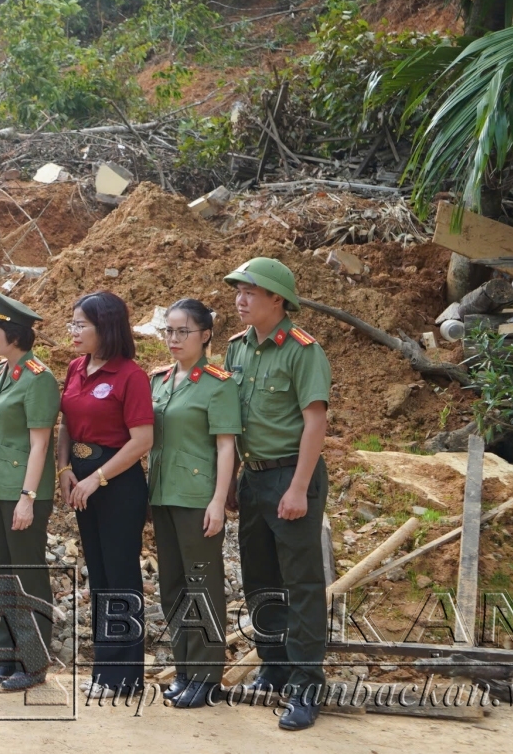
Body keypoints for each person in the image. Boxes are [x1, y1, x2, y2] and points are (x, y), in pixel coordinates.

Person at [223, 257, 331, 731]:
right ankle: (273, 669)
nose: (240, 300)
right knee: (259, 579)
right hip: (253, 477)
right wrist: (229, 482)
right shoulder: (236, 349)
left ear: (277, 300)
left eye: (250, 292)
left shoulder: (303, 351)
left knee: (301, 585)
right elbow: (227, 422)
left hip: (291, 476)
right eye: (238, 291)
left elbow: (315, 422)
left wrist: (300, 488)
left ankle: (306, 685)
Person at [57, 291, 155, 697]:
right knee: (97, 577)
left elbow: (142, 440)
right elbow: (66, 421)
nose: (74, 331)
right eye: (73, 323)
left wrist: (97, 477)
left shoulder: (130, 375)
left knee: (121, 578)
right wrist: (64, 468)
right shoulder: (76, 367)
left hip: (117, 484)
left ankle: (125, 675)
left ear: (107, 327)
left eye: (82, 324)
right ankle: (104, 671)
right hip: (80, 483)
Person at [148, 298, 239, 709]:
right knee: (173, 586)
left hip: (198, 499)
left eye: (182, 331)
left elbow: (226, 447)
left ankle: (206, 677)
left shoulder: (218, 383)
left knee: (202, 585)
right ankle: (185, 668)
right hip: (163, 496)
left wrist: (219, 501)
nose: (173, 338)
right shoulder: (160, 379)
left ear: (204, 335)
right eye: (168, 330)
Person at [0, 285, 60, 692]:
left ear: (15, 335)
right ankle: (7, 657)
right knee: (1, 576)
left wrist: (28, 498)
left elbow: (40, 442)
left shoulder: (39, 379)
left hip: (22, 493)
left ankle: (34, 660)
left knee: (27, 576)